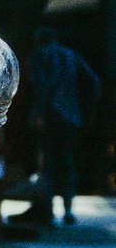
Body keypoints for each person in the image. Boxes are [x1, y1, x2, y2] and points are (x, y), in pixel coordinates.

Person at [27, 26, 101, 224]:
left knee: (47, 164)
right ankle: (68, 210)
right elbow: (94, 81)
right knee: (67, 163)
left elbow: (40, 86)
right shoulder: (70, 55)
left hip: (49, 116)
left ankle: (47, 211)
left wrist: (39, 113)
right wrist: (88, 111)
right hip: (71, 117)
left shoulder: (39, 55)